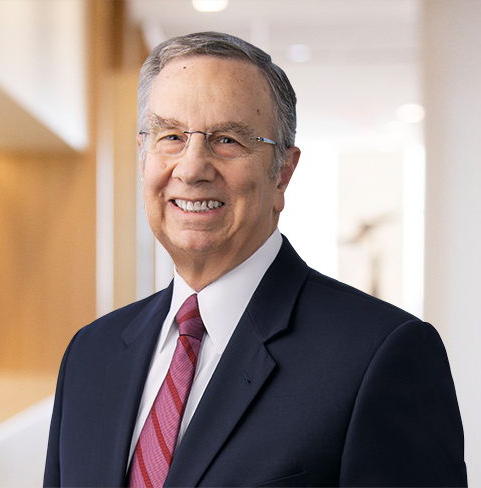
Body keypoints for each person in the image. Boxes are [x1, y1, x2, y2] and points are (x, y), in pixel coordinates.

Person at [44, 32, 467, 488]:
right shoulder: (89, 355)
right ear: (143, 156)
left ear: (283, 172)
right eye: (170, 136)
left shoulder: (381, 356)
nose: (191, 168)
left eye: (227, 139)